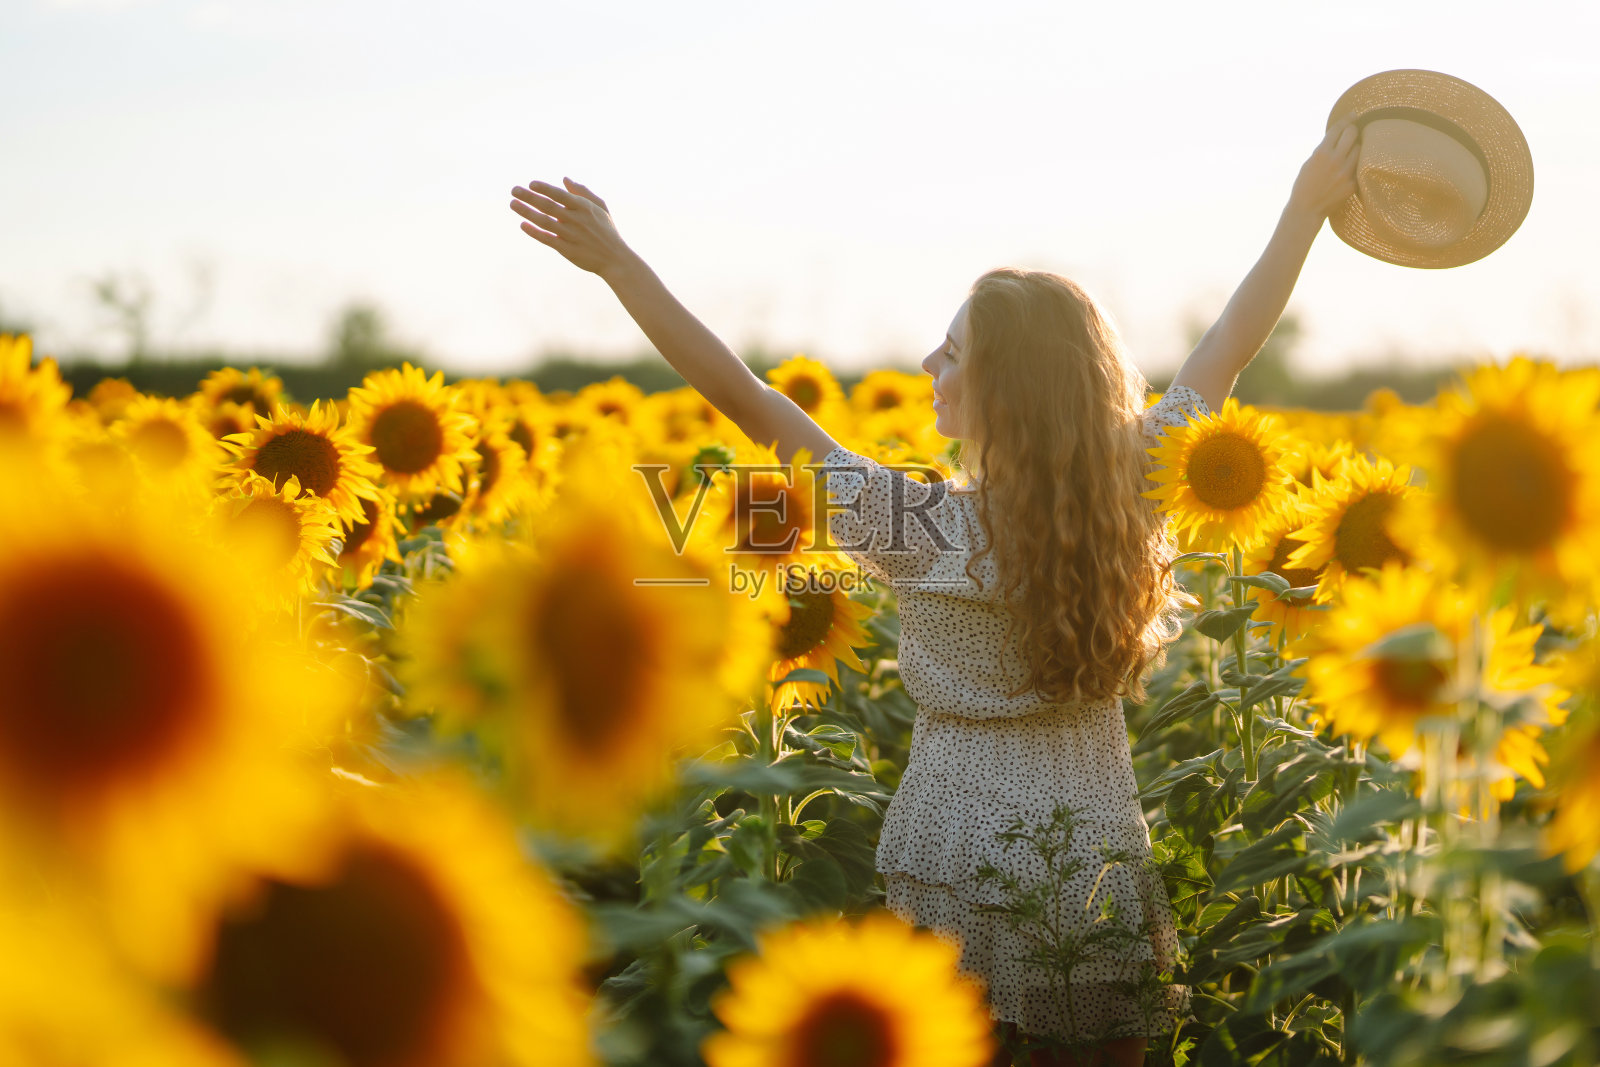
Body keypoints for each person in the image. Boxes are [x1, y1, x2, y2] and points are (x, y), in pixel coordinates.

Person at [508, 117, 1360, 1067]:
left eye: (953, 355)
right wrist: (1302, 213)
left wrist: (621, 265)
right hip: (1093, 835)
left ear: (1008, 388)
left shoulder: (917, 528)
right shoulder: (1137, 486)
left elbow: (745, 396)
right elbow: (1232, 342)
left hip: (950, 843)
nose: (928, 366)